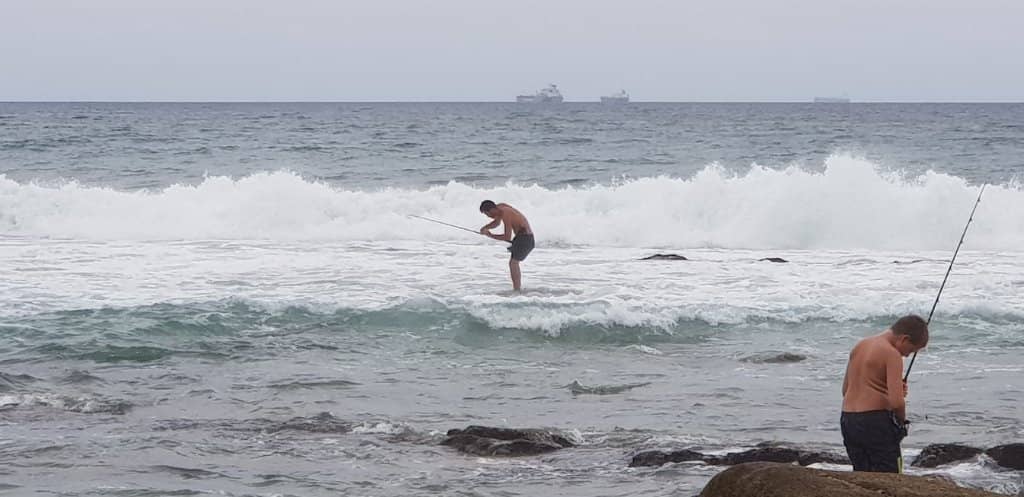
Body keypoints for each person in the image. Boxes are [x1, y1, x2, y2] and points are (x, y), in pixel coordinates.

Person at [840, 314, 929, 473]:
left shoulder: (860, 346)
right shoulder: (891, 354)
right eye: (910, 350)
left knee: (861, 475)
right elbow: (897, 403)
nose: (907, 355)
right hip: (875, 423)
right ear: (904, 339)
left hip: (848, 421)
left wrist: (886, 390)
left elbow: (845, 390)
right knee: (890, 477)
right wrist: (901, 424)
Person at [478, 200, 534, 291]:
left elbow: (507, 237)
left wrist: (490, 235)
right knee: (513, 263)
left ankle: (517, 289)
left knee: (513, 263)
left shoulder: (506, 213)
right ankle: (517, 288)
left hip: (525, 239)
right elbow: (497, 223)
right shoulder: (501, 208)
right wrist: (485, 228)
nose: (488, 217)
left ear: (491, 210)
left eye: (487, 214)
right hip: (523, 238)